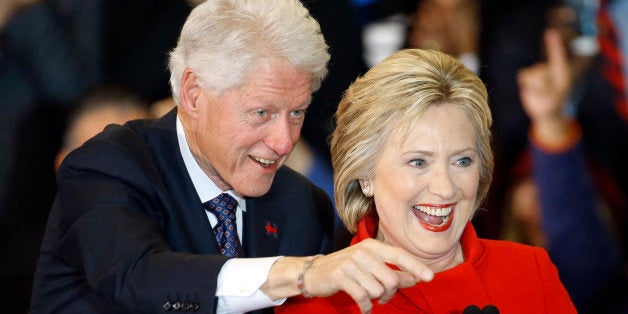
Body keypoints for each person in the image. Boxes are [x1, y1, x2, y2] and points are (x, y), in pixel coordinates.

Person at [29, 1, 434, 313]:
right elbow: (139, 278)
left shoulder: (301, 205)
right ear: (193, 93)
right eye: (261, 113)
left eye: (297, 113)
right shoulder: (106, 167)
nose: (283, 142)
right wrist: (299, 273)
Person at [275, 48, 576, 313]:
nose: (445, 188)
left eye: (462, 161)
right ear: (364, 174)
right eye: (418, 162)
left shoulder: (529, 273)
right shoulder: (320, 306)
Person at [505, 28, 627, 313]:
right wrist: (549, 121)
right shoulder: (591, 284)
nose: (542, 212)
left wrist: (550, 119)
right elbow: (577, 247)